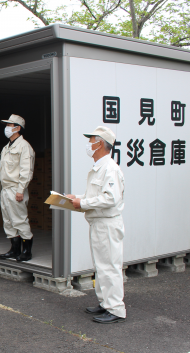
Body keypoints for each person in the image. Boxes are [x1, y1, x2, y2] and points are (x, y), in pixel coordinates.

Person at [66, 126, 126, 324]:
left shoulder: (110, 169)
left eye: (91, 140)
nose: (89, 145)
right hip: (99, 223)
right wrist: (77, 198)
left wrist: (82, 203)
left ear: (100, 143)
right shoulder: (100, 168)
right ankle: (105, 303)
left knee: (110, 267)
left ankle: (116, 309)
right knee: (101, 267)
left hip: (107, 224)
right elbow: (96, 197)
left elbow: (110, 199)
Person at [0, 114, 36, 262]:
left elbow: (26, 171)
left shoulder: (24, 147)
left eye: (9, 125)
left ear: (17, 128)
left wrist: (21, 190)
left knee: (20, 220)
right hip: (5, 188)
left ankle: (26, 251)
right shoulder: (7, 147)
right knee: (8, 221)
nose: (7, 128)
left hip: (15, 189)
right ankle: (14, 250)